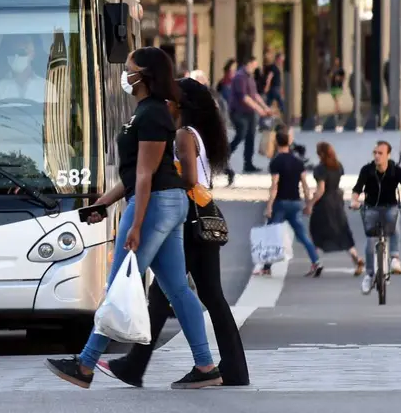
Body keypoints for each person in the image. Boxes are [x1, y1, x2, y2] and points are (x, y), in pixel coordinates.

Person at [44, 47, 221, 390]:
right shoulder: (146, 112)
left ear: (145, 76)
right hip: (164, 203)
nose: (125, 75)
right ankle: (205, 366)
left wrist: (136, 225)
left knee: (119, 283)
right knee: (177, 289)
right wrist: (104, 203)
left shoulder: (153, 113)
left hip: (154, 203)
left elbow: (144, 175)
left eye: (130, 69)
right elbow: (132, 174)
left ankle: (85, 364)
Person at [95, 77, 250, 387]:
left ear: (179, 104)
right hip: (202, 218)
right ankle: (232, 368)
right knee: (201, 296)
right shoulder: (195, 134)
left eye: (169, 99)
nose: (164, 103)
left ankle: (135, 366)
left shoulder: (182, 135)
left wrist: (163, 182)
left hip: (189, 220)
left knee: (168, 294)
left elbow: (189, 178)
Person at [257, 129, 323, 277]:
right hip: (295, 203)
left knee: (271, 234)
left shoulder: (276, 162)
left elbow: (274, 185)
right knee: (302, 235)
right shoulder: (298, 162)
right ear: (289, 142)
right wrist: (308, 204)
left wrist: (269, 206)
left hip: (280, 203)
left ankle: (266, 267)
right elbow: (304, 184)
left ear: (276, 142)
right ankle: (316, 261)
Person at [350, 141, 401, 294]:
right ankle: (369, 275)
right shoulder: (367, 170)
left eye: (380, 153)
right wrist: (354, 201)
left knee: (394, 222)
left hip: (390, 206)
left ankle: (394, 258)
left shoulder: (396, 170)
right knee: (370, 242)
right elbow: (357, 188)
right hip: (371, 208)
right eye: (375, 153)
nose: (377, 156)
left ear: (388, 155)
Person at [308, 142, 364, 276]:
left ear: (321, 154)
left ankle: (315, 262)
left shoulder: (320, 169)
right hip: (337, 201)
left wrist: (310, 203)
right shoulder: (338, 166)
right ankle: (356, 258)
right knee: (342, 230)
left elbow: (321, 189)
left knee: (315, 230)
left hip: (324, 203)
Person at [228, 57, 271, 174]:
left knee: (250, 137)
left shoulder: (250, 77)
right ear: (248, 64)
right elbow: (244, 97)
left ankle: (248, 164)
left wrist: (265, 107)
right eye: (254, 64)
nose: (256, 67)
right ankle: (223, 157)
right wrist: (259, 109)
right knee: (241, 134)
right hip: (238, 112)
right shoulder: (240, 77)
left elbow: (254, 94)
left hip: (249, 112)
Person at [0, 35, 56, 105]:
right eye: (13, 53)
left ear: (33, 54)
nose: (17, 57)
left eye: (21, 53)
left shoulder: (47, 88)